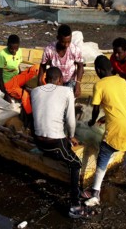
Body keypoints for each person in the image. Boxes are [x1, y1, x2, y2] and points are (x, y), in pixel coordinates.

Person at [31, 67, 87, 219]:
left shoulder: (35, 91)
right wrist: (72, 135)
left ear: (45, 79)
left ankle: (77, 190)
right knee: (76, 164)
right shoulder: (66, 91)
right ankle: (75, 205)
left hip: (38, 140)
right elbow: (70, 120)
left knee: (65, 150)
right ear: (60, 80)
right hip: (53, 142)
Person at [85, 55, 126, 207]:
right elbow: (119, 105)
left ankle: (95, 192)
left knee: (103, 156)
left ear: (98, 70)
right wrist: (106, 118)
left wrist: (92, 121)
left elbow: (95, 109)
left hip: (116, 129)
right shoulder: (122, 81)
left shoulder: (99, 85)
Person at [0, 35, 40, 115]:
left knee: (36, 67)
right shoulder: (1, 55)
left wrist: (22, 81)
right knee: (25, 95)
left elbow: (18, 66)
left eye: (16, 48)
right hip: (8, 83)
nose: (14, 51)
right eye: (11, 48)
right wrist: (5, 93)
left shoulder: (19, 51)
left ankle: (45, 88)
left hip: (17, 77)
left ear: (18, 46)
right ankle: (30, 114)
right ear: (7, 45)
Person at [38, 24, 84, 98]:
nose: (66, 45)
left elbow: (80, 66)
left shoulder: (75, 50)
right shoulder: (49, 49)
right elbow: (43, 65)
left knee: (68, 101)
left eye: (69, 42)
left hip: (70, 81)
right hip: (55, 82)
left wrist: (78, 84)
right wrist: (40, 81)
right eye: (63, 42)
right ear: (58, 38)